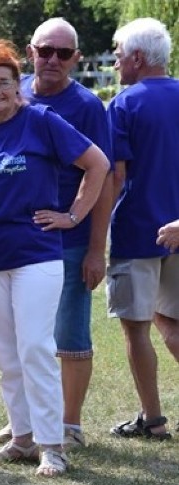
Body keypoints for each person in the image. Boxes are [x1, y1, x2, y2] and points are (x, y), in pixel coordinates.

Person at [0, 40, 109, 477]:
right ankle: (20, 439)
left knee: (35, 347)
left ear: (17, 87)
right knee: (6, 355)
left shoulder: (42, 121)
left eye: (4, 83)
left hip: (36, 254)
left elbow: (98, 164)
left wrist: (73, 214)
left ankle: (51, 445)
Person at [106, 18, 179, 440]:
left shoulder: (124, 104)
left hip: (138, 232)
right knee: (170, 321)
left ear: (136, 57)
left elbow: (115, 176)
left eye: (118, 54)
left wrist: (96, 231)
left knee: (137, 328)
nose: (115, 62)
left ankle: (152, 419)